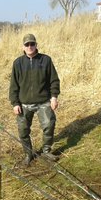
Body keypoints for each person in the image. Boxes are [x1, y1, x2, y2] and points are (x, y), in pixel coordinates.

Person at [9, 34, 61, 166]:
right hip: (24, 104)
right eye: (27, 44)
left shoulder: (46, 60)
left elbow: (54, 80)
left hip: (43, 102)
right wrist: (15, 103)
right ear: (23, 47)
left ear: (36, 45)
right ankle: (28, 154)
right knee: (23, 130)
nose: (30, 47)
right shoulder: (18, 63)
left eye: (32, 44)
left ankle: (46, 151)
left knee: (49, 125)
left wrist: (54, 97)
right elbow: (13, 86)